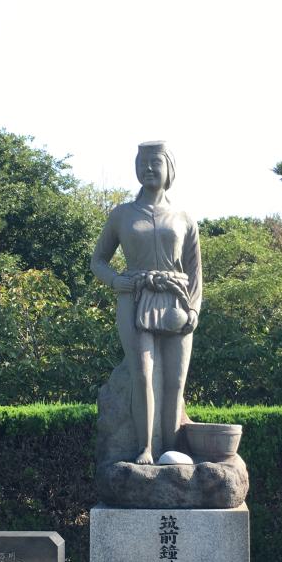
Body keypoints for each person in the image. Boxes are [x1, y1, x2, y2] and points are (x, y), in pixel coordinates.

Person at [90, 141, 202, 464]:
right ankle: (145, 448)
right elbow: (98, 260)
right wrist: (116, 280)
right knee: (142, 373)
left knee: (175, 381)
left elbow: (195, 272)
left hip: (176, 300)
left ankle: (173, 450)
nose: (148, 168)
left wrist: (194, 308)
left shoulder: (184, 217)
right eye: (142, 162)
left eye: (155, 162)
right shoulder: (122, 215)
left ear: (169, 169)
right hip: (135, 297)